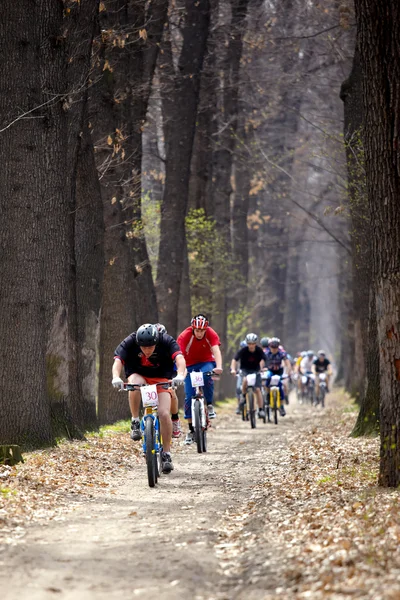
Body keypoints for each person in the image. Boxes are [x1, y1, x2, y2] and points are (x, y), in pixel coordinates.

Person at [111, 323, 186, 474]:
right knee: (135, 384)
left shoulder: (166, 341)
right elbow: (118, 361)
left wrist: (180, 375)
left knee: (164, 414)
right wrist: (115, 377)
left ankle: (166, 454)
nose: (147, 350)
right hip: (139, 375)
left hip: (161, 379)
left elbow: (180, 359)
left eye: (150, 347)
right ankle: (135, 421)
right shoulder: (130, 340)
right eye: (143, 347)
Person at [177, 314, 223, 445]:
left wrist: (219, 367)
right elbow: (178, 356)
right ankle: (191, 429)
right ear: (192, 328)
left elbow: (216, 350)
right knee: (189, 395)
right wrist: (181, 372)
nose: (199, 333)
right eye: (197, 330)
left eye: (202, 330)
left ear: (206, 329)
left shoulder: (211, 333)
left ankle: (209, 404)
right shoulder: (184, 336)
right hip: (188, 365)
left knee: (206, 376)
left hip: (206, 362)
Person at [155, 323, 182, 438]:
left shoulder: (169, 346)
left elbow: (177, 362)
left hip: (168, 374)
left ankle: (175, 418)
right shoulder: (147, 347)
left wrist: (177, 376)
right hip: (151, 375)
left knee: (171, 392)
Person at [230, 333, 265, 419]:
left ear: (256, 343)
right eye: (249, 344)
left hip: (256, 370)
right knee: (245, 380)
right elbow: (234, 359)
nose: (251, 346)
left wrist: (263, 367)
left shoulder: (259, 350)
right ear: (247, 343)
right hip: (245, 370)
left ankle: (260, 410)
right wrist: (233, 369)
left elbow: (264, 359)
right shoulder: (243, 350)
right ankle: (242, 396)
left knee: (257, 390)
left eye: (253, 344)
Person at [263, 337, 292, 416]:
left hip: (279, 371)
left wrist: (288, 373)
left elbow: (287, 363)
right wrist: (261, 369)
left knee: (280, 387)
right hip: (270, 370)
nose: (274, 349)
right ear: (269, 346)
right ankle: (268, 395)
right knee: (267, 381)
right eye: (272, 347)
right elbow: (261, 362)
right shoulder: (265, 352)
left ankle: (281, 406)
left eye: (276, 347)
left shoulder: (282, 353)